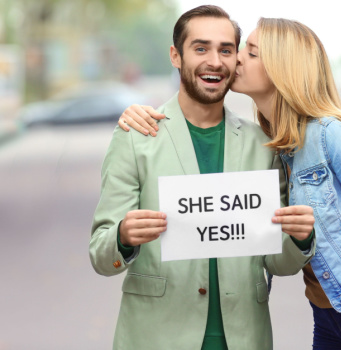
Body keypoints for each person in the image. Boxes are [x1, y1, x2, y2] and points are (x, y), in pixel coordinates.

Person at [119, 17, 341, 350]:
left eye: (250, 52)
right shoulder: (270, 144)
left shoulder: (331, 135)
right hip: (327, 314)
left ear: (281, 68)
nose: (235, 59)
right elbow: (253, 237)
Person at [90, 6, 317, 350]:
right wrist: (123, 236)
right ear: (176, 56)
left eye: (226, 50)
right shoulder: (135, 136)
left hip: (244, 338)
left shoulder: (262, 144)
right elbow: (101, 256)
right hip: (156, 337)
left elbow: (276, 262)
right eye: (200, 48)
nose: (215, 61)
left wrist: (300, 240)